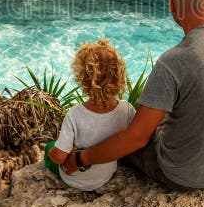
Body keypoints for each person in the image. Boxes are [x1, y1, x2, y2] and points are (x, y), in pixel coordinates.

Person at [62, 0, 204, 190]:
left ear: (172, 7)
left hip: (183, 175)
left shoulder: (173, 62)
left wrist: (80, 159)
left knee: (121, 127)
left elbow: (135, 139)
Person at [45, 39, 136, 191]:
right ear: (118, 76)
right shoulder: (126, 110)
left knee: (50, 147)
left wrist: (56, 150)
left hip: (73, 178)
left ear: (82, 79)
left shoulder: (75, 114)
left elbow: (59, 157)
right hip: (105, 176)